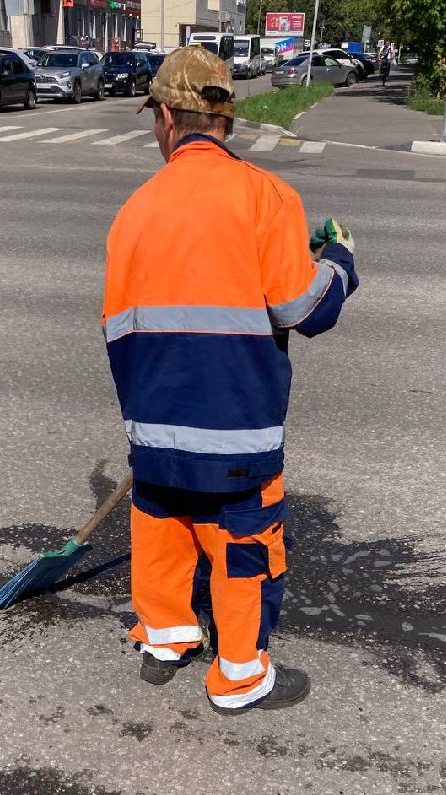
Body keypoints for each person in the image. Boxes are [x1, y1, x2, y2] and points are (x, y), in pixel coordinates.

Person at [102, 47, 358, 714]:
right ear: (226, 119)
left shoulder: (134, 210)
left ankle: (166, 639)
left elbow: (119, 327)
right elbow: (305, 311)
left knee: (162, 528)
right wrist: (338, 261)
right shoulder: (266, 197)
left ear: (165, 118)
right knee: (244, 542)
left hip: (154, 427)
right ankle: (240, 675)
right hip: (237, 432)